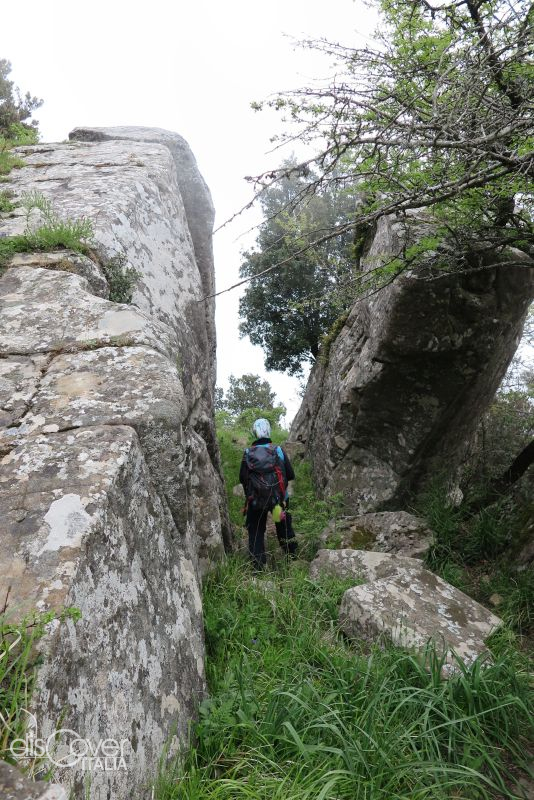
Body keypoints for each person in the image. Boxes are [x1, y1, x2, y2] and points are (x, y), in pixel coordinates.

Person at [239, 418, 298, 570]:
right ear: (269, 431)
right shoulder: (278, 450)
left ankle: (258, 566)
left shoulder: (247, 453)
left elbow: (242, 478)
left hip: (255, 501)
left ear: (254, 432)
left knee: (256, 530)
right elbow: (290, 474)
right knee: (284, 526)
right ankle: (292, 557)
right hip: (278, 500)